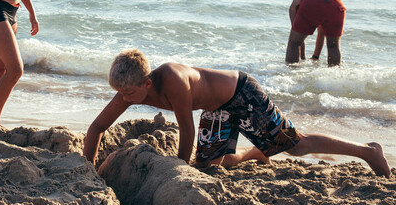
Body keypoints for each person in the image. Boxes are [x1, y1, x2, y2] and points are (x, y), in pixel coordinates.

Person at [83, 49, 390, 178]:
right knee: (209, 166)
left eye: (128, 94)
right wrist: (88, 168)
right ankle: (255, 153)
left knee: (295, 145)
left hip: (240, 93)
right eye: (120, 93)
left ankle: (367, 151)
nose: (124, 99)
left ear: (146, 83)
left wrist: (177, 168)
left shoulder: (173, 80)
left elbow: (186, 130)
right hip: (215, 108)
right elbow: (97, 127)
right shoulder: (129, 88)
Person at [285, 0, 346, 66]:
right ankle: (335, 73)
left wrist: (303, 58)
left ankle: (291, 72)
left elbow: (297, 40)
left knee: (294, 42)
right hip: (336, 3)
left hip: (311, 1)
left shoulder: (293, 7)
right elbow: (322, 33)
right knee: (333, 45)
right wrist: (315, 56)